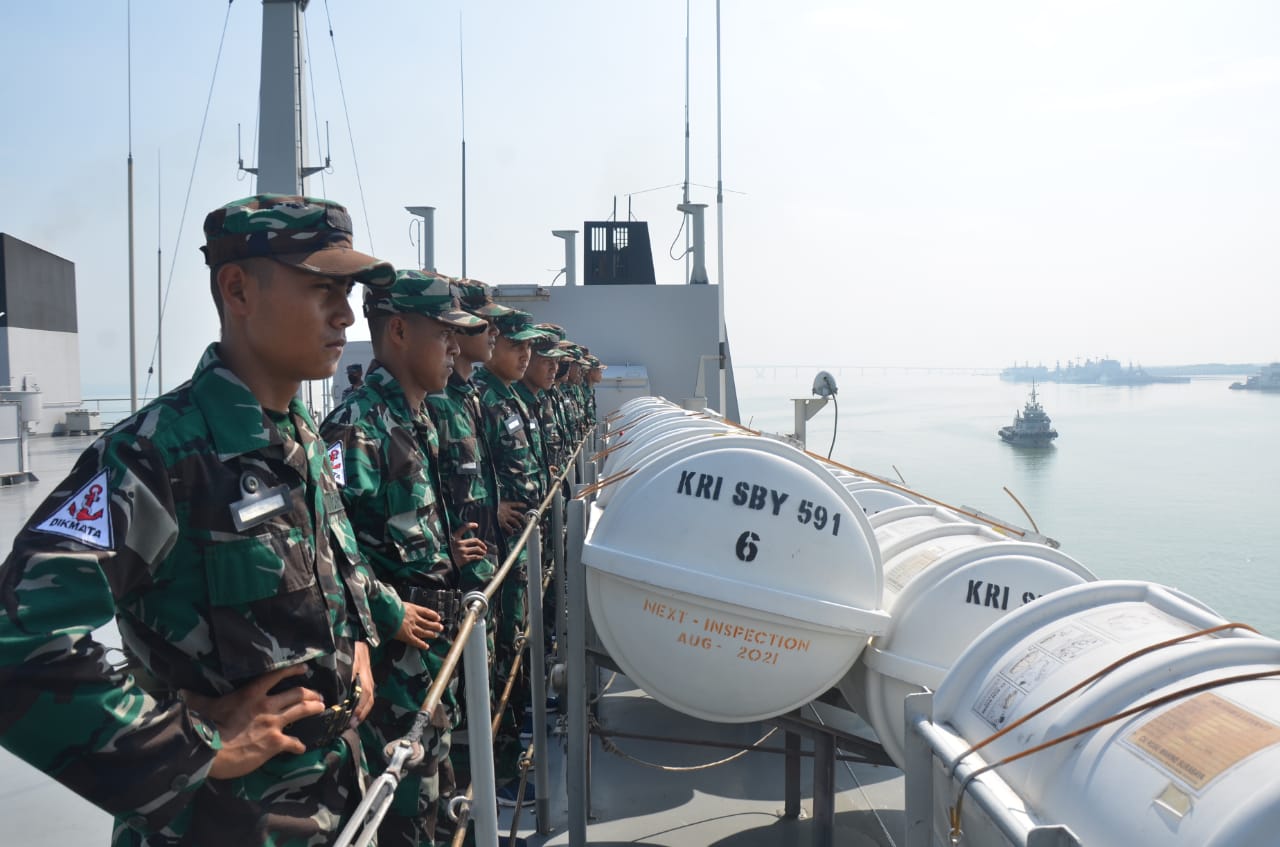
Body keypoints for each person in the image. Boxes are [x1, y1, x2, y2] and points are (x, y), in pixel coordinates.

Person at [0, 194, 428, 846]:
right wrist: (191, 746)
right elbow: (19, 639)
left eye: (348, 292)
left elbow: (329, 570)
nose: (346, 314)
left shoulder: (302, 438)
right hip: (221, 825)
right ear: (238, 290)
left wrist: (359, 643)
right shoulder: (157, 454)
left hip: (340, 800)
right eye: (323, 289)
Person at [320, 269, 487, 847]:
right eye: (443, 334)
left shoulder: (418, 422)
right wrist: (390, 610)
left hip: (433, 656)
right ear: (397, 331)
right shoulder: (355, 428)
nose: (454, 348)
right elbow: (333, 552)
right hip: (393, 669)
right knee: (404, 820)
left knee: (442, 808)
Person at [472, 308, 549, 806]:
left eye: (528, 347)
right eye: (515, 344)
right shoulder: (480, 399)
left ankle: (515, 733)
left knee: (516, 643)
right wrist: (489, 505)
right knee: (497, 656)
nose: (524, 354)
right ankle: (495, 767)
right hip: (491, 553)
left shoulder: (513, 399)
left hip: (519, 546)